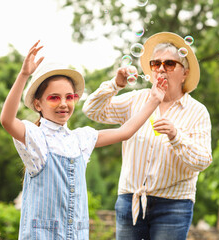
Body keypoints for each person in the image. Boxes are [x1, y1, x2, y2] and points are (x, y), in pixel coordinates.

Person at [0, 40, 167, 239]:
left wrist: (155, 100)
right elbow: (7, 120)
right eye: (54, 98)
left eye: (69, 97)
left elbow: (125, 131)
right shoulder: (36, 137)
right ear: (38, 104)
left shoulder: (80, 139)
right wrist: (24, 74)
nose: (63, 103)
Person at [82, 32, 212, 240]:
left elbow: (203, 160)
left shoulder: (197, 112)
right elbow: (91, 110)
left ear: (185, 73)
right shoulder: (136, 99)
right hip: (130, 199)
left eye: (169, 63)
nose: (161, 68)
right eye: (155, 63)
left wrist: (175, 135)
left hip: (174, 204)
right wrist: (115, 85)